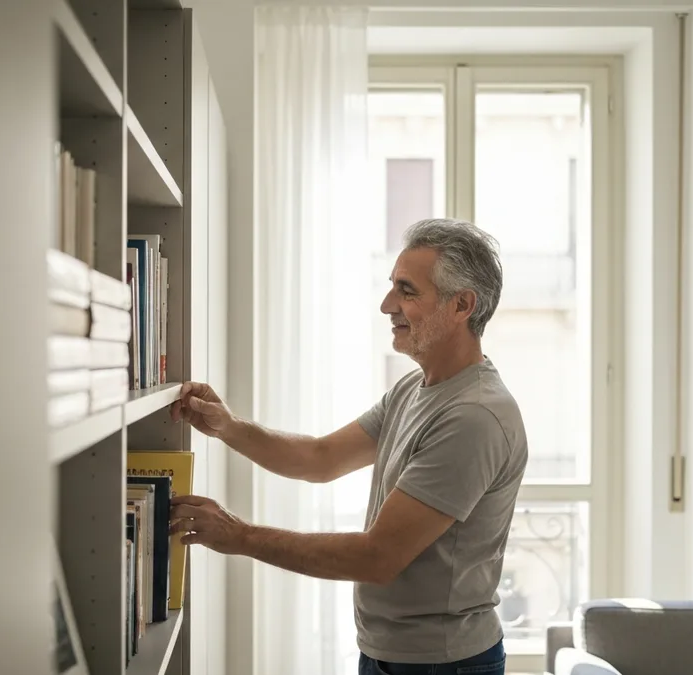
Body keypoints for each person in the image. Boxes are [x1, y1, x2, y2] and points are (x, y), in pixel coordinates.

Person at [167, 218, 528, 675]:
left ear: (462, 306)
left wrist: (239, 536)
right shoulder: (413, 390)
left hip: (442, 664)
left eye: (407, 290)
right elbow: (320, 458)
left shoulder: (473, 416)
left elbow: (377, 557)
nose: (386, 305)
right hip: (389, 655)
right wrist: (228, 426)